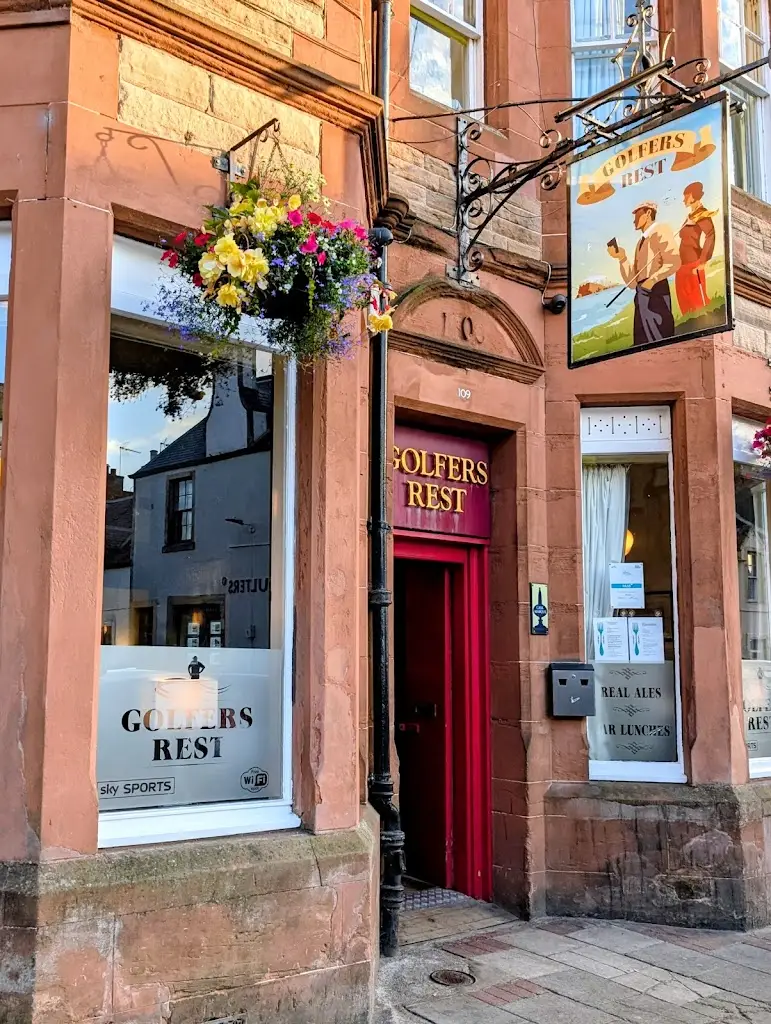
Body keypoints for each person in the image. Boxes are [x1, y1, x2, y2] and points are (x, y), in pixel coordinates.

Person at [607, 200, 680, 346]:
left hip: (656, 291)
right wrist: (622, 258)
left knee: (659, 336)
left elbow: (674, 261)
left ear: (648, 213)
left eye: (637, 215)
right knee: (642, 341)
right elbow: (633, 282)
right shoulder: (640, 242)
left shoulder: (660, 230)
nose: (634, 220)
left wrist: (652, 280)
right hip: (642, 294)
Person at [675, 181, 716, 315]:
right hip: (682, 266)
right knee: (684, 303)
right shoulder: (690, 216)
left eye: (685, 196)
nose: (683, 200)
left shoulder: (701, 214)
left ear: (692, 196)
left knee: (697, 302)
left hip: (693, 264)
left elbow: (710, 235)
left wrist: (703, 261)